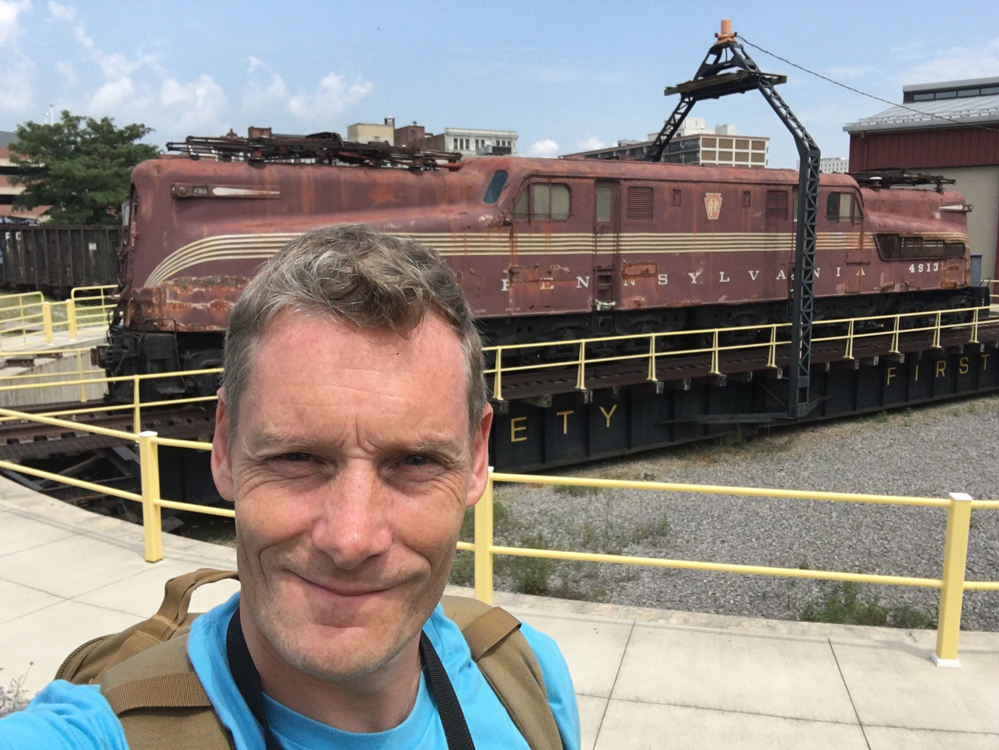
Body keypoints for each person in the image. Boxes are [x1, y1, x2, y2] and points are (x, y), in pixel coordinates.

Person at [0, 224, 580, 749]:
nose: (351, 540)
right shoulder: (94, 735)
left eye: (417, 461)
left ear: (478, 458)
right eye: (297, 457)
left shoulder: (528, 676)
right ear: (223, 448)